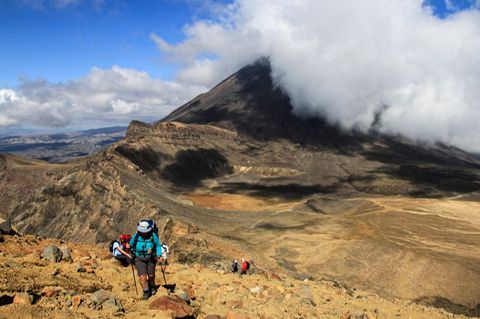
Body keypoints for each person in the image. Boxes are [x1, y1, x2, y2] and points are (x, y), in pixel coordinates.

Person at [130, 220, 163, 300]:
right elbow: (131, 244)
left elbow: (158, 245)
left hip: (151, 258)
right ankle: (146, 291)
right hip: (139, 259)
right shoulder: (137, 236)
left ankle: (152, 286)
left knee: (151, 276)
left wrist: (159, 255)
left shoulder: (153, 235)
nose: (143, 233)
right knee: (142, 277)